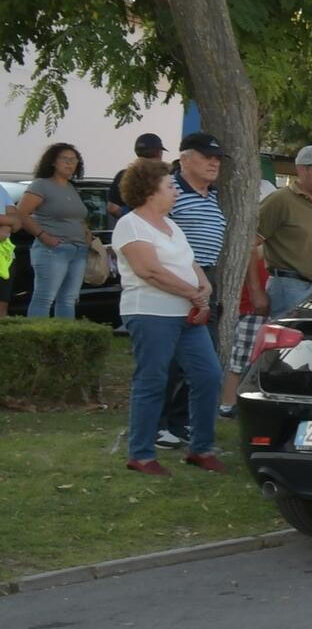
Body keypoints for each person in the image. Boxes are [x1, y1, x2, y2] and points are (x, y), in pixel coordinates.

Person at [111, 159, 223, 476]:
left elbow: (190, 262)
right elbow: (150, 271)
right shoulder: (131, 224)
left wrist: (203, 283)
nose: (175, 190)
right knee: (152, 380)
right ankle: (141, 454)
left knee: (208, 375)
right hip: (149, 312)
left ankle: (201, 448)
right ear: (150, 191)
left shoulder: (171, 224)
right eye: (169, 186)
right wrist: (193, 293)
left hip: (184, 315)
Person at [8, 143, 92, 319]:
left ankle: (64, 342)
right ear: (53, 162)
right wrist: (43, 235)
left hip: (78, 249)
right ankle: (38, 342)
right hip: (53, 250)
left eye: (74, 160)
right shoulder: (42, 185)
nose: (70, 163)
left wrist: (86, 232)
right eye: (65, 159)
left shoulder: (70, 187)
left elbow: (77, 216)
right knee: (44, 298)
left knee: (68, 299)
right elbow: (22, 213)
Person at [258, 145, 312, 315]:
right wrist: (256, 292)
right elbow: (248, 246)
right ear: (302, 170)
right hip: (290, 288)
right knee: (292, 341)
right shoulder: (280, 200)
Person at [218, 252, 268, 417]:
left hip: (265, 306)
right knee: (240, 358)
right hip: (251, 309)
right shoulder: (257, 248)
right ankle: (228, 403)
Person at [104, 133, 166, 220]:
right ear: (159, 153)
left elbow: (112, 208)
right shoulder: (165, 177)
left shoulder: (123, 175)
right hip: (158, 227)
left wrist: (132, 219)